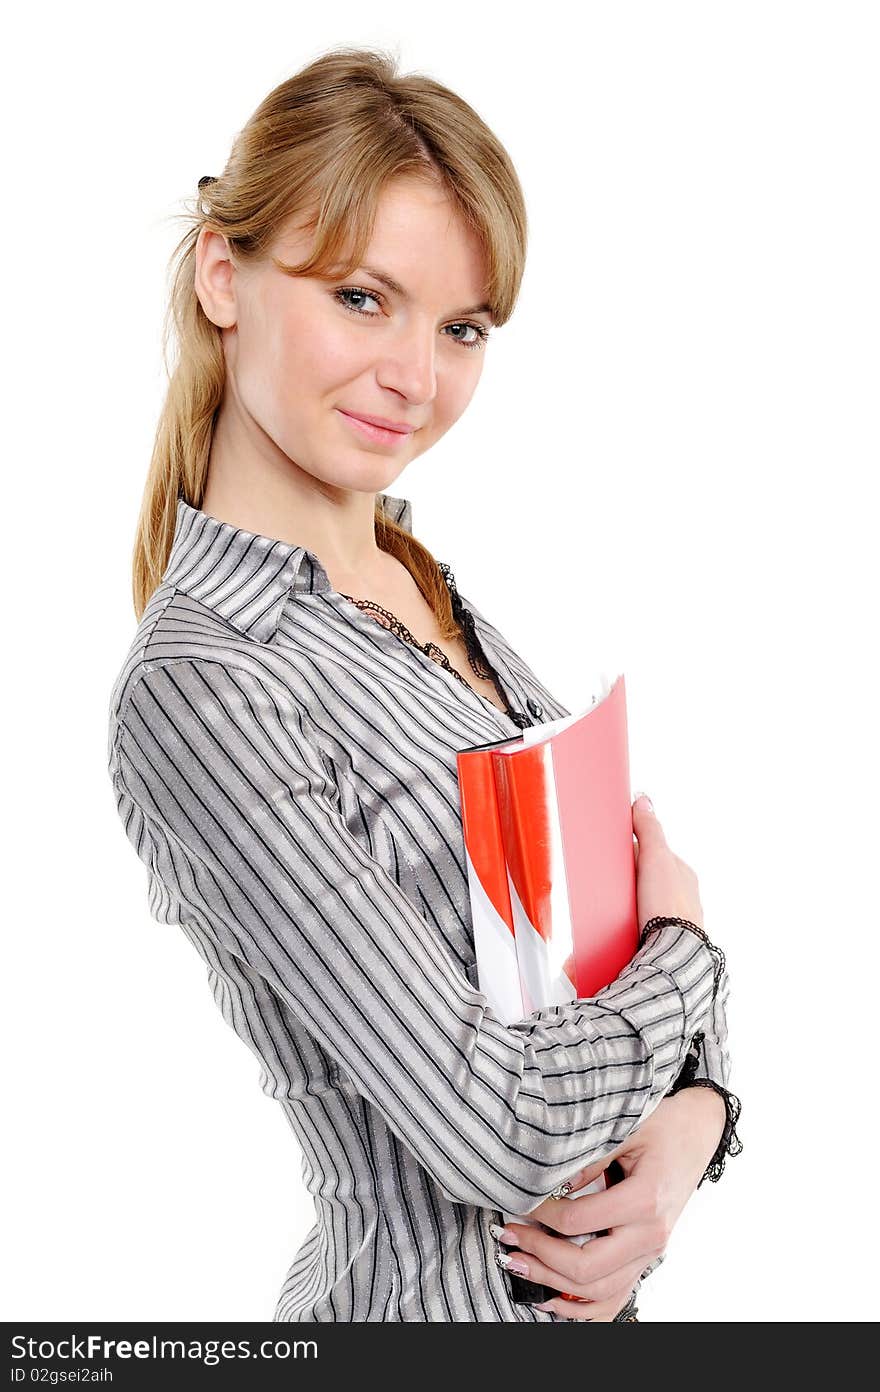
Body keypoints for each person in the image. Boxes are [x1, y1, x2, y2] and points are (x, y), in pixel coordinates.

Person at [106, 45, 742, 1323]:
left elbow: (591, 962)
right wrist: (690, 954)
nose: (417, 376)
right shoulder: (206, 686)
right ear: (222, 276)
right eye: (360, 298)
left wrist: (696, 1122)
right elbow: (497, 1123)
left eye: (461, 328)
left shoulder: (422, 584)